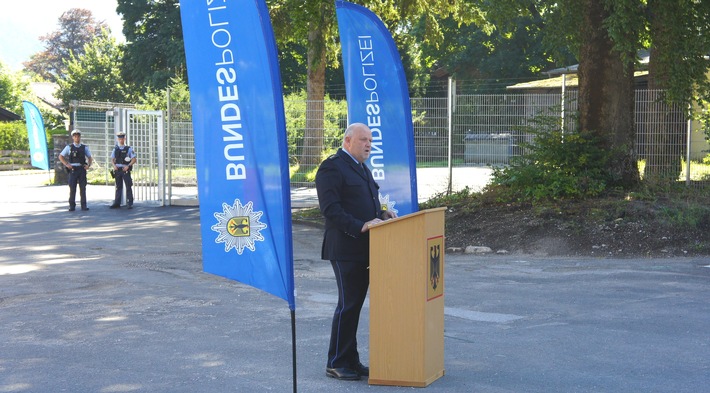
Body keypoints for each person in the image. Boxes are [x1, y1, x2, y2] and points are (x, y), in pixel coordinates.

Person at [315, 122, 397, 381]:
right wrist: (360, 226)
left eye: (370, 140)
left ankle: (350, 359)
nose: (368, 144)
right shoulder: (332, 167)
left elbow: (366, 202)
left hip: (365, 247)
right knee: (348, 305)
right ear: (348, 140)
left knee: (355, 305)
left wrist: (381, 214)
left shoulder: (361, 167)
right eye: (363, 139)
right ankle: (336, 362)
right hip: (345, 247)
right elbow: (331, 209)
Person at [58, 129, 93, 211]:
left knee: (83, 188)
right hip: (73, 169)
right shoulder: (69, 147)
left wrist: (88, 165)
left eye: (78, 136)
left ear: (80, 137)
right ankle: (72, 205)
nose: (77, 138)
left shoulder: (84, 147)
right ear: (73, 137)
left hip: (81, 168)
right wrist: (67, 164)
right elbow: (60, 156)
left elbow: (90, 157)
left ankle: (84, 205)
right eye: (75, 136)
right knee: (72, 188)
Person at [109, 131, 137, 209]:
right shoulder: (115, 149)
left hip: (125, 169)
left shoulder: (128, 149)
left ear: (124, 138)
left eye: (122, 138)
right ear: (118, 139)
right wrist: (114, 166)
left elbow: (134, 159)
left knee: (128, 186)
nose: (121, 140)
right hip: (118, 170)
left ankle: (129, 202)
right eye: (119, 138)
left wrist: (128, 166)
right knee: (118, 186)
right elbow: (112, 159)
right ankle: (117, 202)